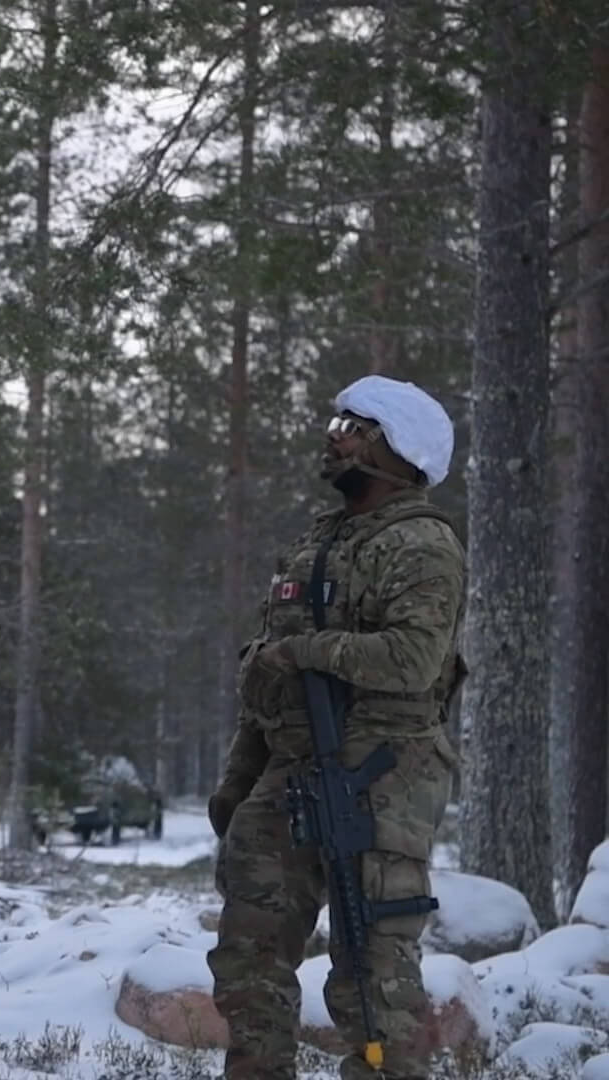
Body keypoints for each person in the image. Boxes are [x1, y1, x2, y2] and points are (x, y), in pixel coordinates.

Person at [207, 374, 466, 1080]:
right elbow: (269, 672)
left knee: (373, 972)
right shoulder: (316, 544)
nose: (335, 435)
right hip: (291, 768)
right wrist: (240, 775)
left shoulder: (420, 542)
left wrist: (305, 652)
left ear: (399, 447)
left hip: (383, 773)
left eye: (356, 425)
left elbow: (414, 659)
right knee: (248, 951)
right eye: (338, 421)